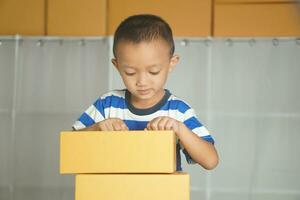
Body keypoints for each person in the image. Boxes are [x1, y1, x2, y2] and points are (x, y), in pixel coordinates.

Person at [72, 14, 218, 171]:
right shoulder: (107, 104)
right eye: (130, 72)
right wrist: (97, 128)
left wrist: (180, 129)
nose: (142, 81)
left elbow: (211, 161)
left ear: (171, 63)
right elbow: (71, 147)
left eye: (153, 72)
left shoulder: (178, 111)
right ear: (117, 66)